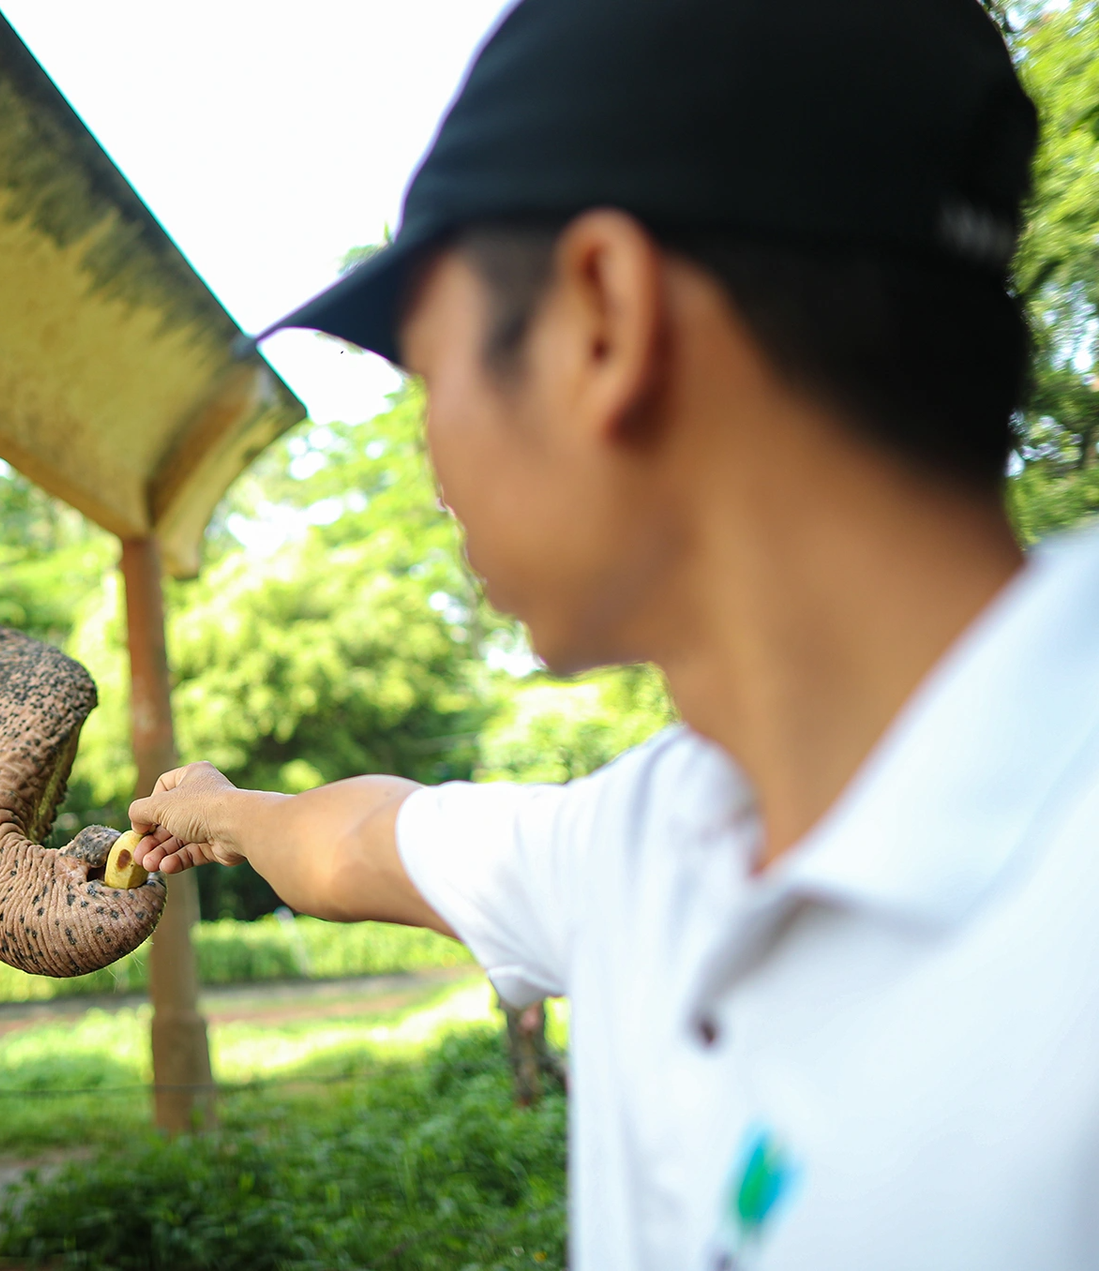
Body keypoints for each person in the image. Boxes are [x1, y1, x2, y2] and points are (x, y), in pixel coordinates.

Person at [129, 1, 1099, 1267]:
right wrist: (214, 805)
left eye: (429, 373)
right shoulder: (652, 841)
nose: (434, 469)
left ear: (604, 319)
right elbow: (359, 838)